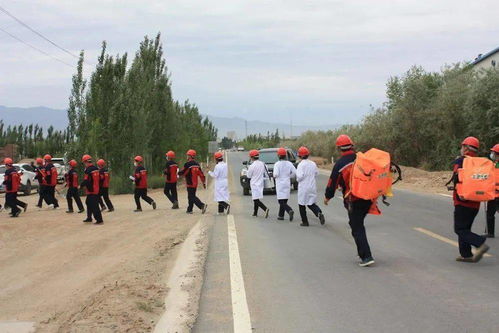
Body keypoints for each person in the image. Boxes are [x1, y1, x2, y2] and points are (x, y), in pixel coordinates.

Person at [324, 135, 374, 267]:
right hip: (368, 198)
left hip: (354, 199)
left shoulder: (340, 164)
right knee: (356, 224)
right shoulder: (361, 158)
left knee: (357, 227)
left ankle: (366, 256)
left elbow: (332, 183)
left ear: (339, 148)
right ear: (352, 145)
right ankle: (362, 251)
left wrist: (327, 197)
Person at [451, 136, 489, 262]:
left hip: (462, 201)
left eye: (462, 147)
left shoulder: (460, 161)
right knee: (465, 229)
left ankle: (480, 243)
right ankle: (466, 254)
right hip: (475, 202)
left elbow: (456, 176)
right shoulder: (480, 163)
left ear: (466, 148)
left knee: (460, 229)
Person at [296, 146, 324, 226]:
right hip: (312, 186)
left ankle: (305, 221)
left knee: (301, 204)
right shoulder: (313, 163)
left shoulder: (301, 165)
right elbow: (316, 173)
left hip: (303, 187)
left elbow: (300, 177)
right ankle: (319, 213)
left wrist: (298, 179)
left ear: (300, 155)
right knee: (311, 203)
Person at [179, 149, 207, 214]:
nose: (187, 156)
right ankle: (189, 209)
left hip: (190, 183)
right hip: (195, 183)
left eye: (188, 155)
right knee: (191, 196)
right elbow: (201, 174)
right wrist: (203, 182)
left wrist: (178, 174)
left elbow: (184, 172)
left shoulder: (187, 164)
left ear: (190, 156)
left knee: (192, 196)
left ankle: (202, 205)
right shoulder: (197, 164)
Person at [273, 147, 296, 221]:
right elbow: (295, 172)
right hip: (287, 183)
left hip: (280, 183)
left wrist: (273, 176)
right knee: (284, 199)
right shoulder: (289, 163)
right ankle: (281, 215)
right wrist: (289, 176)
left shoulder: (277, 164)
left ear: (279, 155)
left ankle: (289, 210)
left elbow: (275, 174)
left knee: (280, 201)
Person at [81, 155, 103, 224]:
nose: (84, 164)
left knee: (94, 205)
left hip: (91, 190)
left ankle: (99, 220)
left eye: (84, 162)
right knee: (88, 202)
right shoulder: (96, 168)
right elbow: (100, 179)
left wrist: (81, 185)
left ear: (86, 162)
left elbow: (86, 180)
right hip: (96, 189)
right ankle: (89, 217)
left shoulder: (88, 170)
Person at [246, 149, 270, 218]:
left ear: (251, 157)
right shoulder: (263, 163)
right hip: (261, 183)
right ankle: (255, 213)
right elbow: (266, 172)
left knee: (255, 199)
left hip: (254, 184)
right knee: (256, 198)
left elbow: (248, 176)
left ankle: (265, 209)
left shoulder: (252, 166)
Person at [484, 143, 499, 238]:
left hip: (495, 194)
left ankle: (490, 233)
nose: (492, 154)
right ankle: (490, 232)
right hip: (493, 194)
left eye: (494, 153)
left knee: (490, 214)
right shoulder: (494, 165)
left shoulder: (495, 165)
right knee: (489, 214)